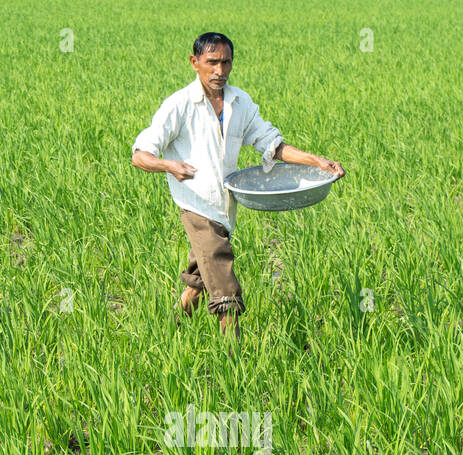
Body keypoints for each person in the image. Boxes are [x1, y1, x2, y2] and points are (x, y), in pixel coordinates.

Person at [131, 32, 345, 338]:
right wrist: (169, 165)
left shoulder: (239, 102)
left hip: (225, 208)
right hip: (197, 206)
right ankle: (235, 358)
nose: (220, 71)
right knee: (226, 292)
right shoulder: (179, 105)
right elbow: (141, 155)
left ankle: (166, 335)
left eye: (226, 62)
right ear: (194, 62)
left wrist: (317, 161)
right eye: (212, 62)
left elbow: (272, 144)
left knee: (199, 282)